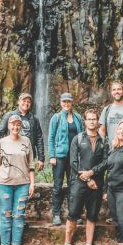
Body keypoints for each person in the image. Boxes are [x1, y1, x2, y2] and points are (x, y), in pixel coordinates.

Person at [0, 92, 45, 230]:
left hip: (25, 157)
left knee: (23, 187)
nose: (26, 104)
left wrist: (41, 158)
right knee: (4, 184)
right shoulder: (9, 116)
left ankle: (19, 218)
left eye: (28, 102)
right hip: (8, 156)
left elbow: (39, 138)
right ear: (18, 102)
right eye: (23, 101)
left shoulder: (34, 119)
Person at [64, 108, 108, 245]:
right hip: (79, 182)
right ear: (85, 121)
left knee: (92, 216)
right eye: (89, 119)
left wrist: (92, 173)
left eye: (94, 119)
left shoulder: (104, 141)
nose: (91, 121)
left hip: (97, 184)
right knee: (73, 214)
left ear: (97, 121)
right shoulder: (77, 138)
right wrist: (87, 177)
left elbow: (105, 162)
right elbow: (73, 162)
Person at [0, 114, 36, 245]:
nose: (15, 127)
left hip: (23, 184)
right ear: (8, 126)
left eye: (18, 124)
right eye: (13, 124)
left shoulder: (27, 141)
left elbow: (31, 164)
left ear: (20, 126)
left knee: (19, 215)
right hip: (4, 184)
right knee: (5, 215)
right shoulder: (1, 142)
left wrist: (32, 183)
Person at [48, 92, 83, 226]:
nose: (66, 104)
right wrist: (52, 155)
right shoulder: (56, 118)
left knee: (73, 186)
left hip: (74, 157)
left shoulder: (78, 118)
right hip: (59, 157)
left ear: (72, 102)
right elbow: (51, 138)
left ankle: (74, 214)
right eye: (64, 102)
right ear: (61, 103)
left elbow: (82, 136)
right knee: (57, 186)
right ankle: (56, 214)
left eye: (68, 102)